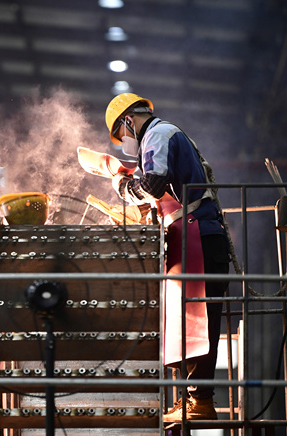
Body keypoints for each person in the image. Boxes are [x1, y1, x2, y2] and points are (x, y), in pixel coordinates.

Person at [105, 92, 230, 422]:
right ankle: (192, 398)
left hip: (199, 235)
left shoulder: (158, 134)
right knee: (186, 319)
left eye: (121, 136)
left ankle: (200, 400)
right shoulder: (163, 135)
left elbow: (155, 184)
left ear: (128, 121)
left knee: (199, 318)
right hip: (193, 234)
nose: (124, 143)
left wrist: (122, 183)